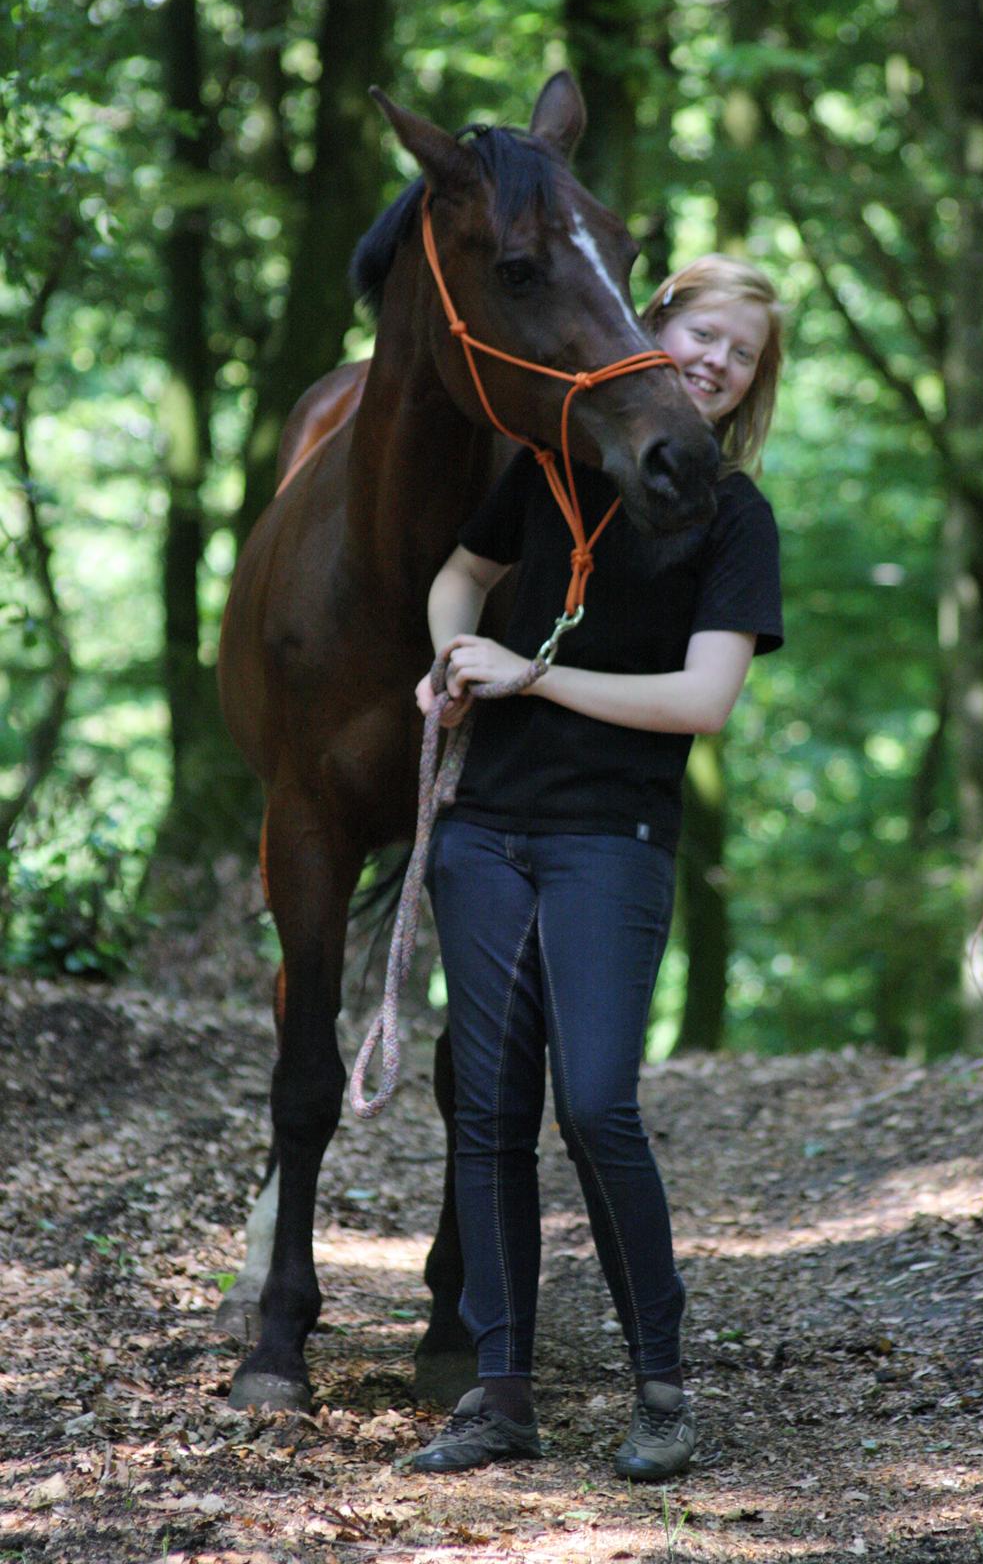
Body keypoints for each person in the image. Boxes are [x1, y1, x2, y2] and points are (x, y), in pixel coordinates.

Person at [411, 254, 785, 1479]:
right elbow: (460, 576)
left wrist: (532, 677)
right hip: (481, 829)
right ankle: (499, 1395)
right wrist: (448, 661)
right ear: (649, 328)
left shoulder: (732, 518)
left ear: (751, 385)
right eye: (700, 333)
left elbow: (701, 701)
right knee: (487, 1111)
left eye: (741, 353)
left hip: (609, 841)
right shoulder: (549, 467)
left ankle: (660, 1388)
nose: (714, 361)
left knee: (593, 1105)